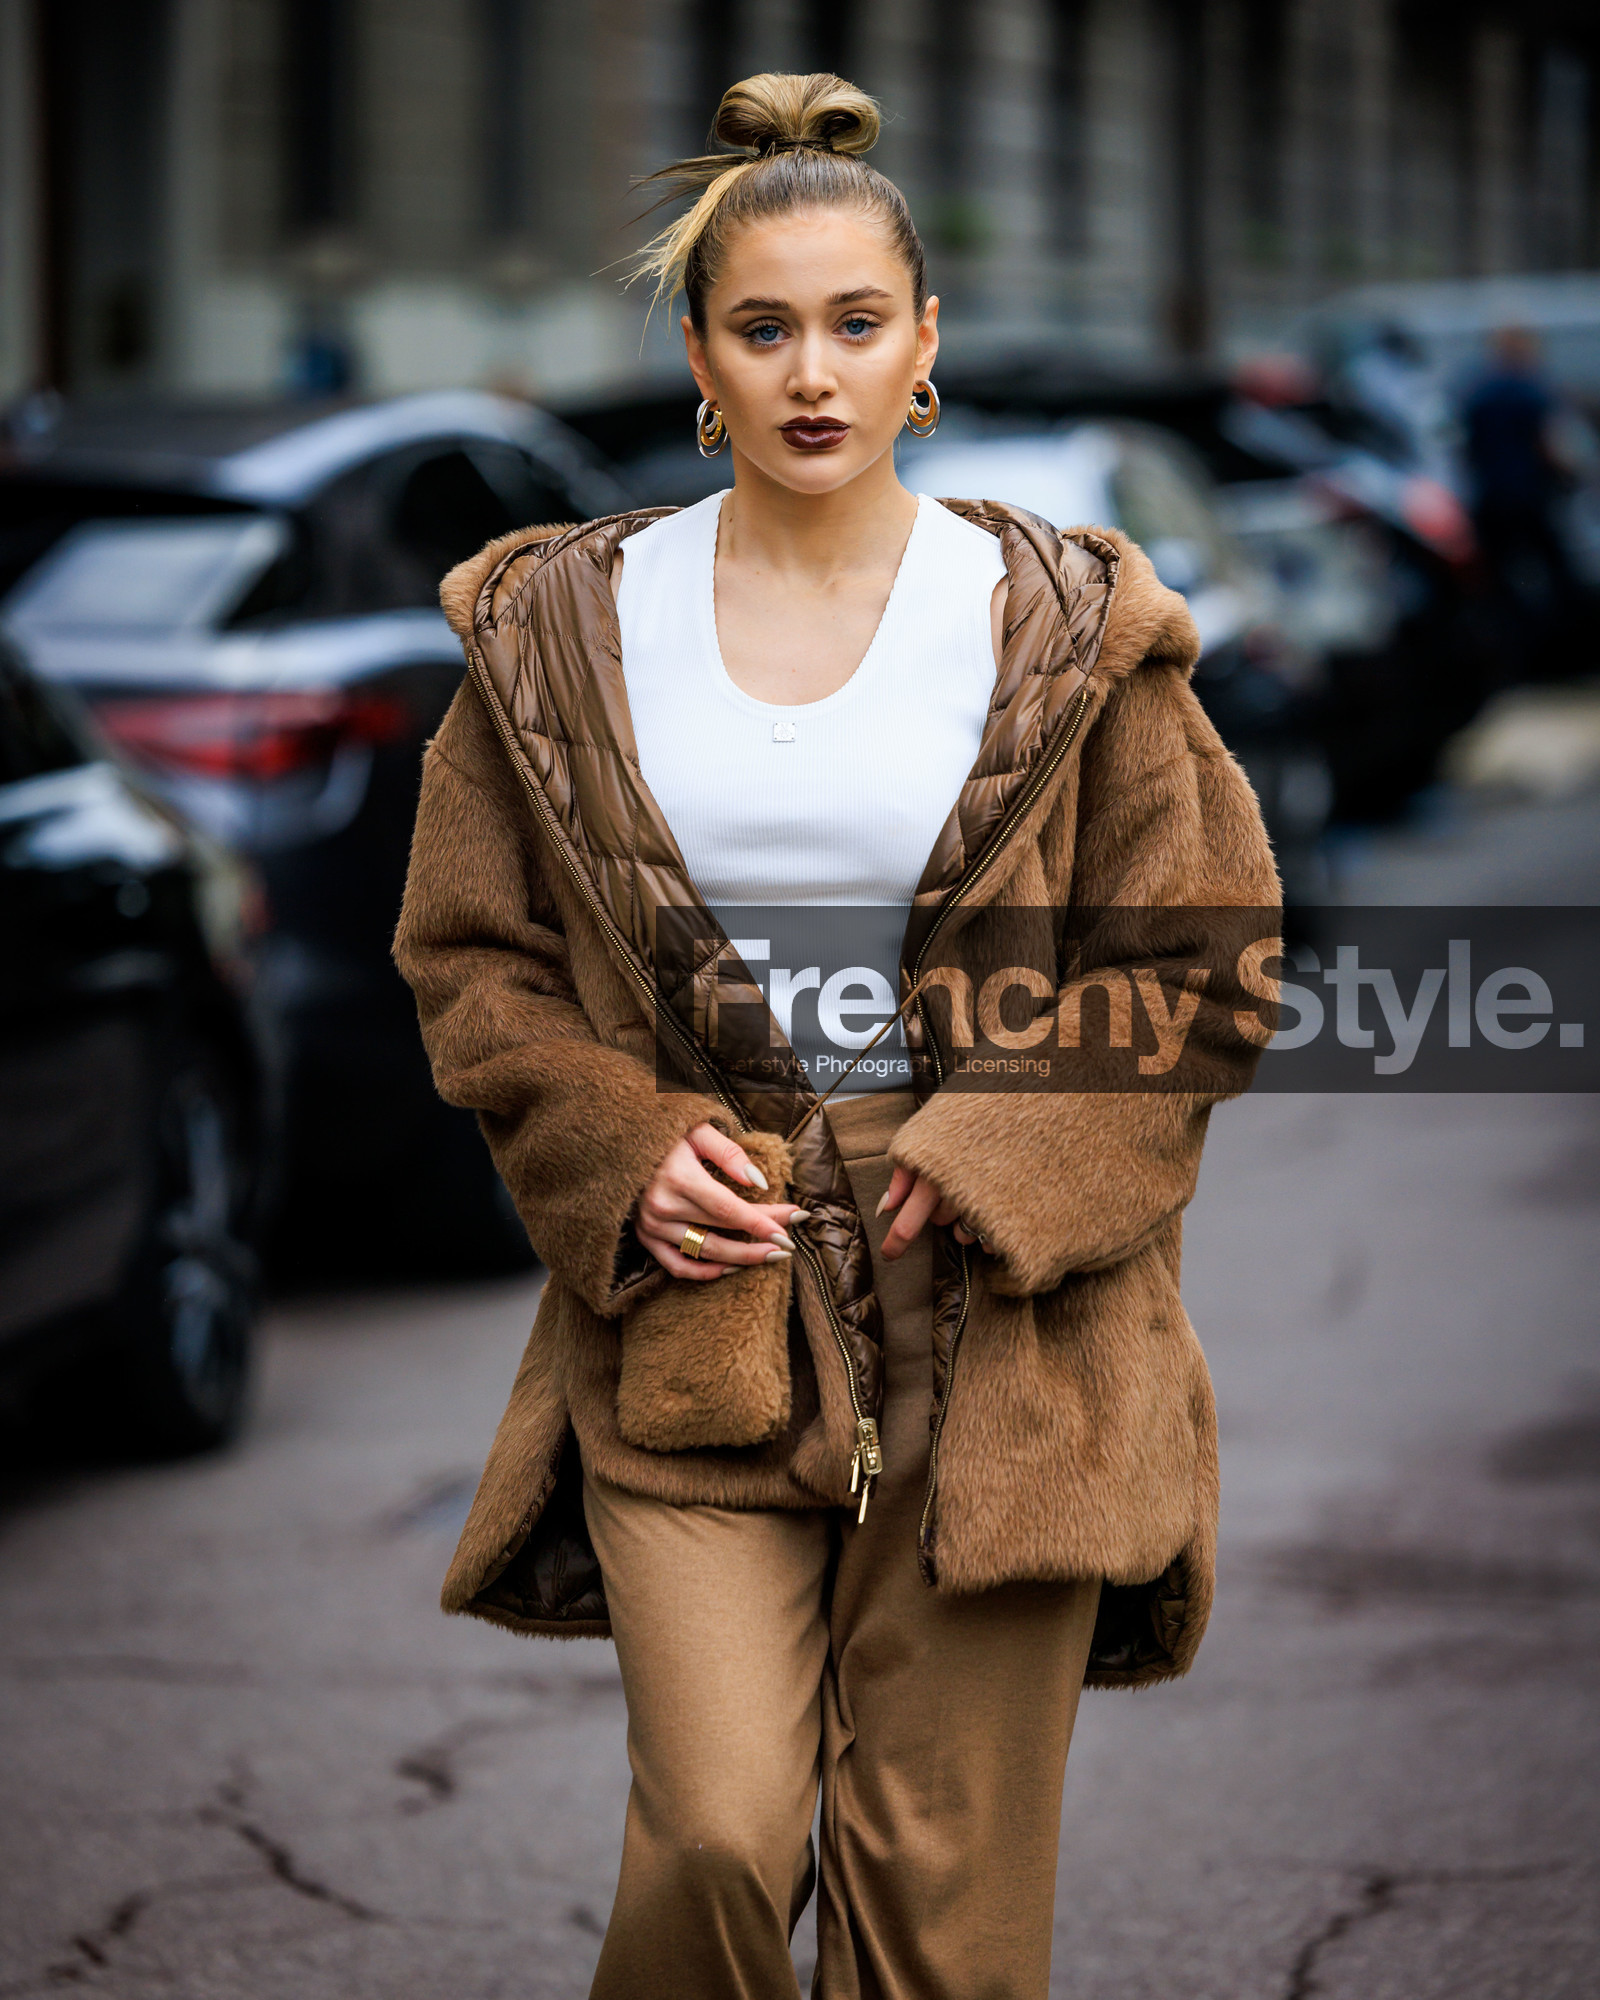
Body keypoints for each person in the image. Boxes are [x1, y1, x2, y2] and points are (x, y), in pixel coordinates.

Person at [394, 71, 1278, 2000]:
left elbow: (1203, 960)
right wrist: (618, 1149)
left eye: (857, 323)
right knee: (717, 1839)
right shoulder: (560, 630)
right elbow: (473, 961)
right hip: (697, 1298)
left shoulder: (1059, 622)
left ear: (924, 342)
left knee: (941, 1909)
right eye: (764, 328)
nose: (814, 373)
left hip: (1006, 1315)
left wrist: (1007, 1149)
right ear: (700, 360)